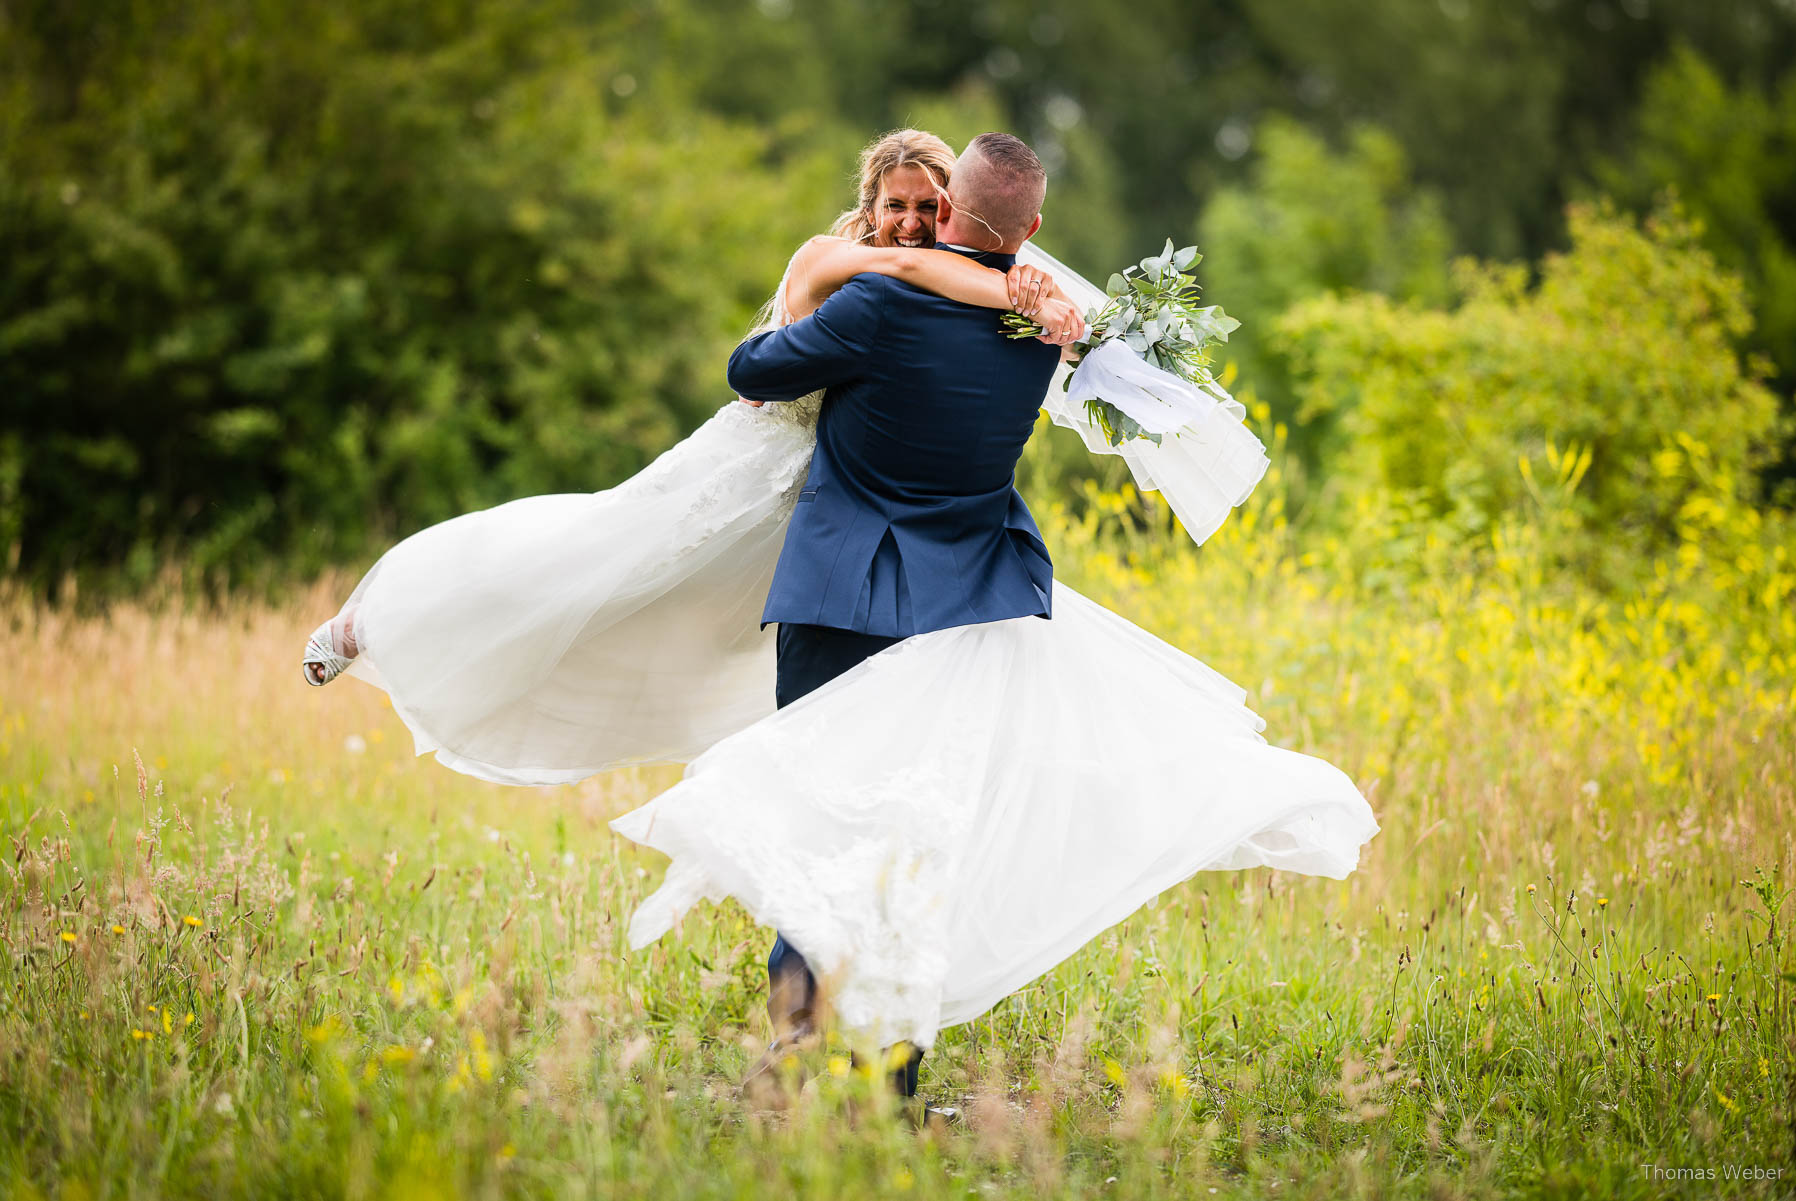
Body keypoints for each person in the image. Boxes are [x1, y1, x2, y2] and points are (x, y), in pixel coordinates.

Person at [303, 128, 1378, 1109]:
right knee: (918, 828)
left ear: (948, 206)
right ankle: (895, 1079)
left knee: (816, 814)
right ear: (1033, 228)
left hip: (841, 594)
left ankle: (794, 1056)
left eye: (929, 211)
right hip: (971, 609)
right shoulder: (1050, 327)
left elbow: (754, 372)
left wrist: (864, 267)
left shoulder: (883, 303)